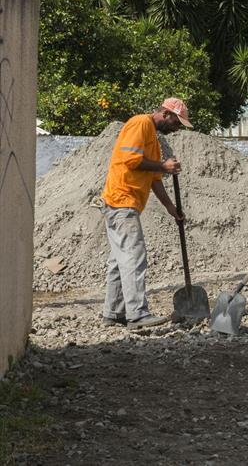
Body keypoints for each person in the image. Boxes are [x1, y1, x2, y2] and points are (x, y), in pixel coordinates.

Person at [99, 97, 191, 329]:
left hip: (124, 203)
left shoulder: (153, 138)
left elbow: (154, 179)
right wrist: (163, 165)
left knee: (119, 259)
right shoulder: (140, 123)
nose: (176, 128)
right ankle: (138, 315)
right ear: (166, 113)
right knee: (133, 257)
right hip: (122, 200)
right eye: (176, 123)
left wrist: (171, 208)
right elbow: (129, 160)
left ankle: (114, 312)